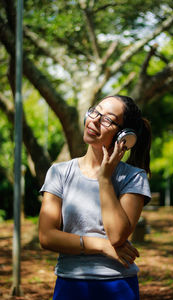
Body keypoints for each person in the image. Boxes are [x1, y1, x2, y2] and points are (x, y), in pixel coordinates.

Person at [39, 95, 151, 300]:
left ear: (124, 136)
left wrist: (105, 180)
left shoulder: (134, 177)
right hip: (69, 283)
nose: (95, 120)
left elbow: (117, 235)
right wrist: (101, 245)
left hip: (118, 285)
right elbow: (46, 236)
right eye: (95, 111)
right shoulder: (59, 172)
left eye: (107, 119)